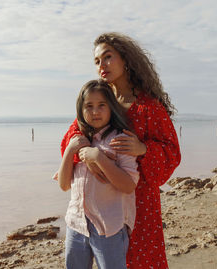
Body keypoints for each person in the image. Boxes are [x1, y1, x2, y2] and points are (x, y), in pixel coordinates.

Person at [60, 33, 181, 268]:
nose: (102, 65)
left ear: (125, 60)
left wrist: (143, 148)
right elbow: (71, 139)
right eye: (97, 61)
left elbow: (172, 153)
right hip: (100, 204)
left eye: (107, 57)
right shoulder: (99, 100)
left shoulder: (148, 107)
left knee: (141, 260)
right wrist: (91, 158)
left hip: (140, 200)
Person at [58, 79, 140, 269]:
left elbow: (128, 186)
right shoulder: (77, 141)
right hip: (76, 225)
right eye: (89, 106)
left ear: (111, 107)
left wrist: (99, 158)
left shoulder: (120, 140)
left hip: (108, 227)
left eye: (101, 105)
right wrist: (70, 150)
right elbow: (63, 185)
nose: (95, 111)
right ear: (81, 109)